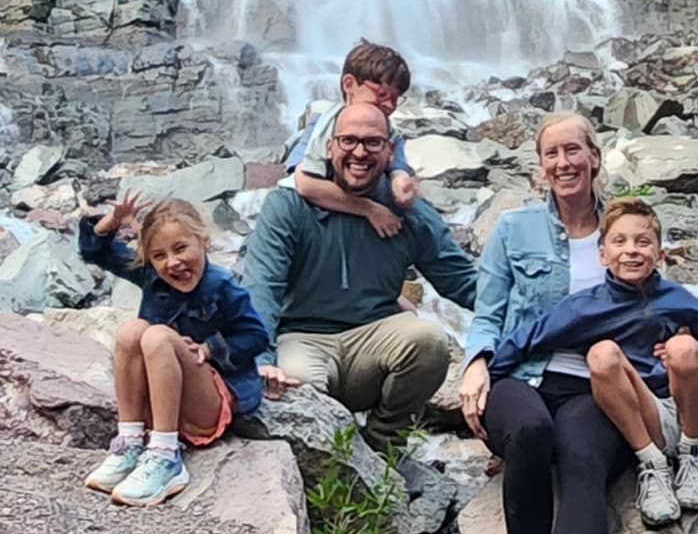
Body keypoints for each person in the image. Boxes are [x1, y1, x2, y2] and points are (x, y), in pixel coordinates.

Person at [243, 102, 476, 460]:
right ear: (330, 147)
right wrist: (260, 358)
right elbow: (263, 287)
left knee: (429, 340)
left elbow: (461, 280)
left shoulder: (408, 211)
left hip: (374, 339)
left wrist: (531, 308)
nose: (360, 153)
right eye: (349, 141)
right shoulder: (288, 205)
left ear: (390, 152)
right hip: (303, 337)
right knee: (295, 387)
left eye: (372, 142)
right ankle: (329, 465)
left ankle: (384, 447)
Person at [491, 197, 698, 528]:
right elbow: (530, 338)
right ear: (603, 255)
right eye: (620, 241)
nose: (631, 250)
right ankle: (651, 463)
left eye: (642, 242)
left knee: (683, 347)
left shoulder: (680, 300)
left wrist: (691, 352)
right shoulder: (585, 307)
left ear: (660, 256)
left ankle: (695, 454)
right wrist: (485, 376)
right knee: (601, 354)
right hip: (650, 415)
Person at [459, 111, 631, 534]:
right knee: (531, 429)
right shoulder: (513, 229)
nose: (563, 163)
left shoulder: (624, 231)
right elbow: (488, 314)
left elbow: (651, 309)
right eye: (551, 154)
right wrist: (476, 364)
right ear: (541, 166)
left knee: (583, 456)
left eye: (573, 150)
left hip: (592, 387)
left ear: (594, 157)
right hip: (519, 376)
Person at [79, 195, 271, 507]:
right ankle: (131, 442)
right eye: (159, 255)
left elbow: (256, 336)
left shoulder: (222, 286)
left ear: (203, 241)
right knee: (131, 331)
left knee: (157, 337)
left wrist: (210, 349)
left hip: (208, 403)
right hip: (162, 404)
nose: (172, 263)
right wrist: (112, 221)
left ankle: (166, 456)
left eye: (180, 248)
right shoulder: (150, 275)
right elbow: (95, 252)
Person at [283, 38, 419, 238]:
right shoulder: (322, 126)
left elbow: (399, 170)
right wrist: (368, 209)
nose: (390, 105)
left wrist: (402, 185)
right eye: (382, 94)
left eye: (396, 98)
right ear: (349, 84)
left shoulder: (391, 134)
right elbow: (303, 183)